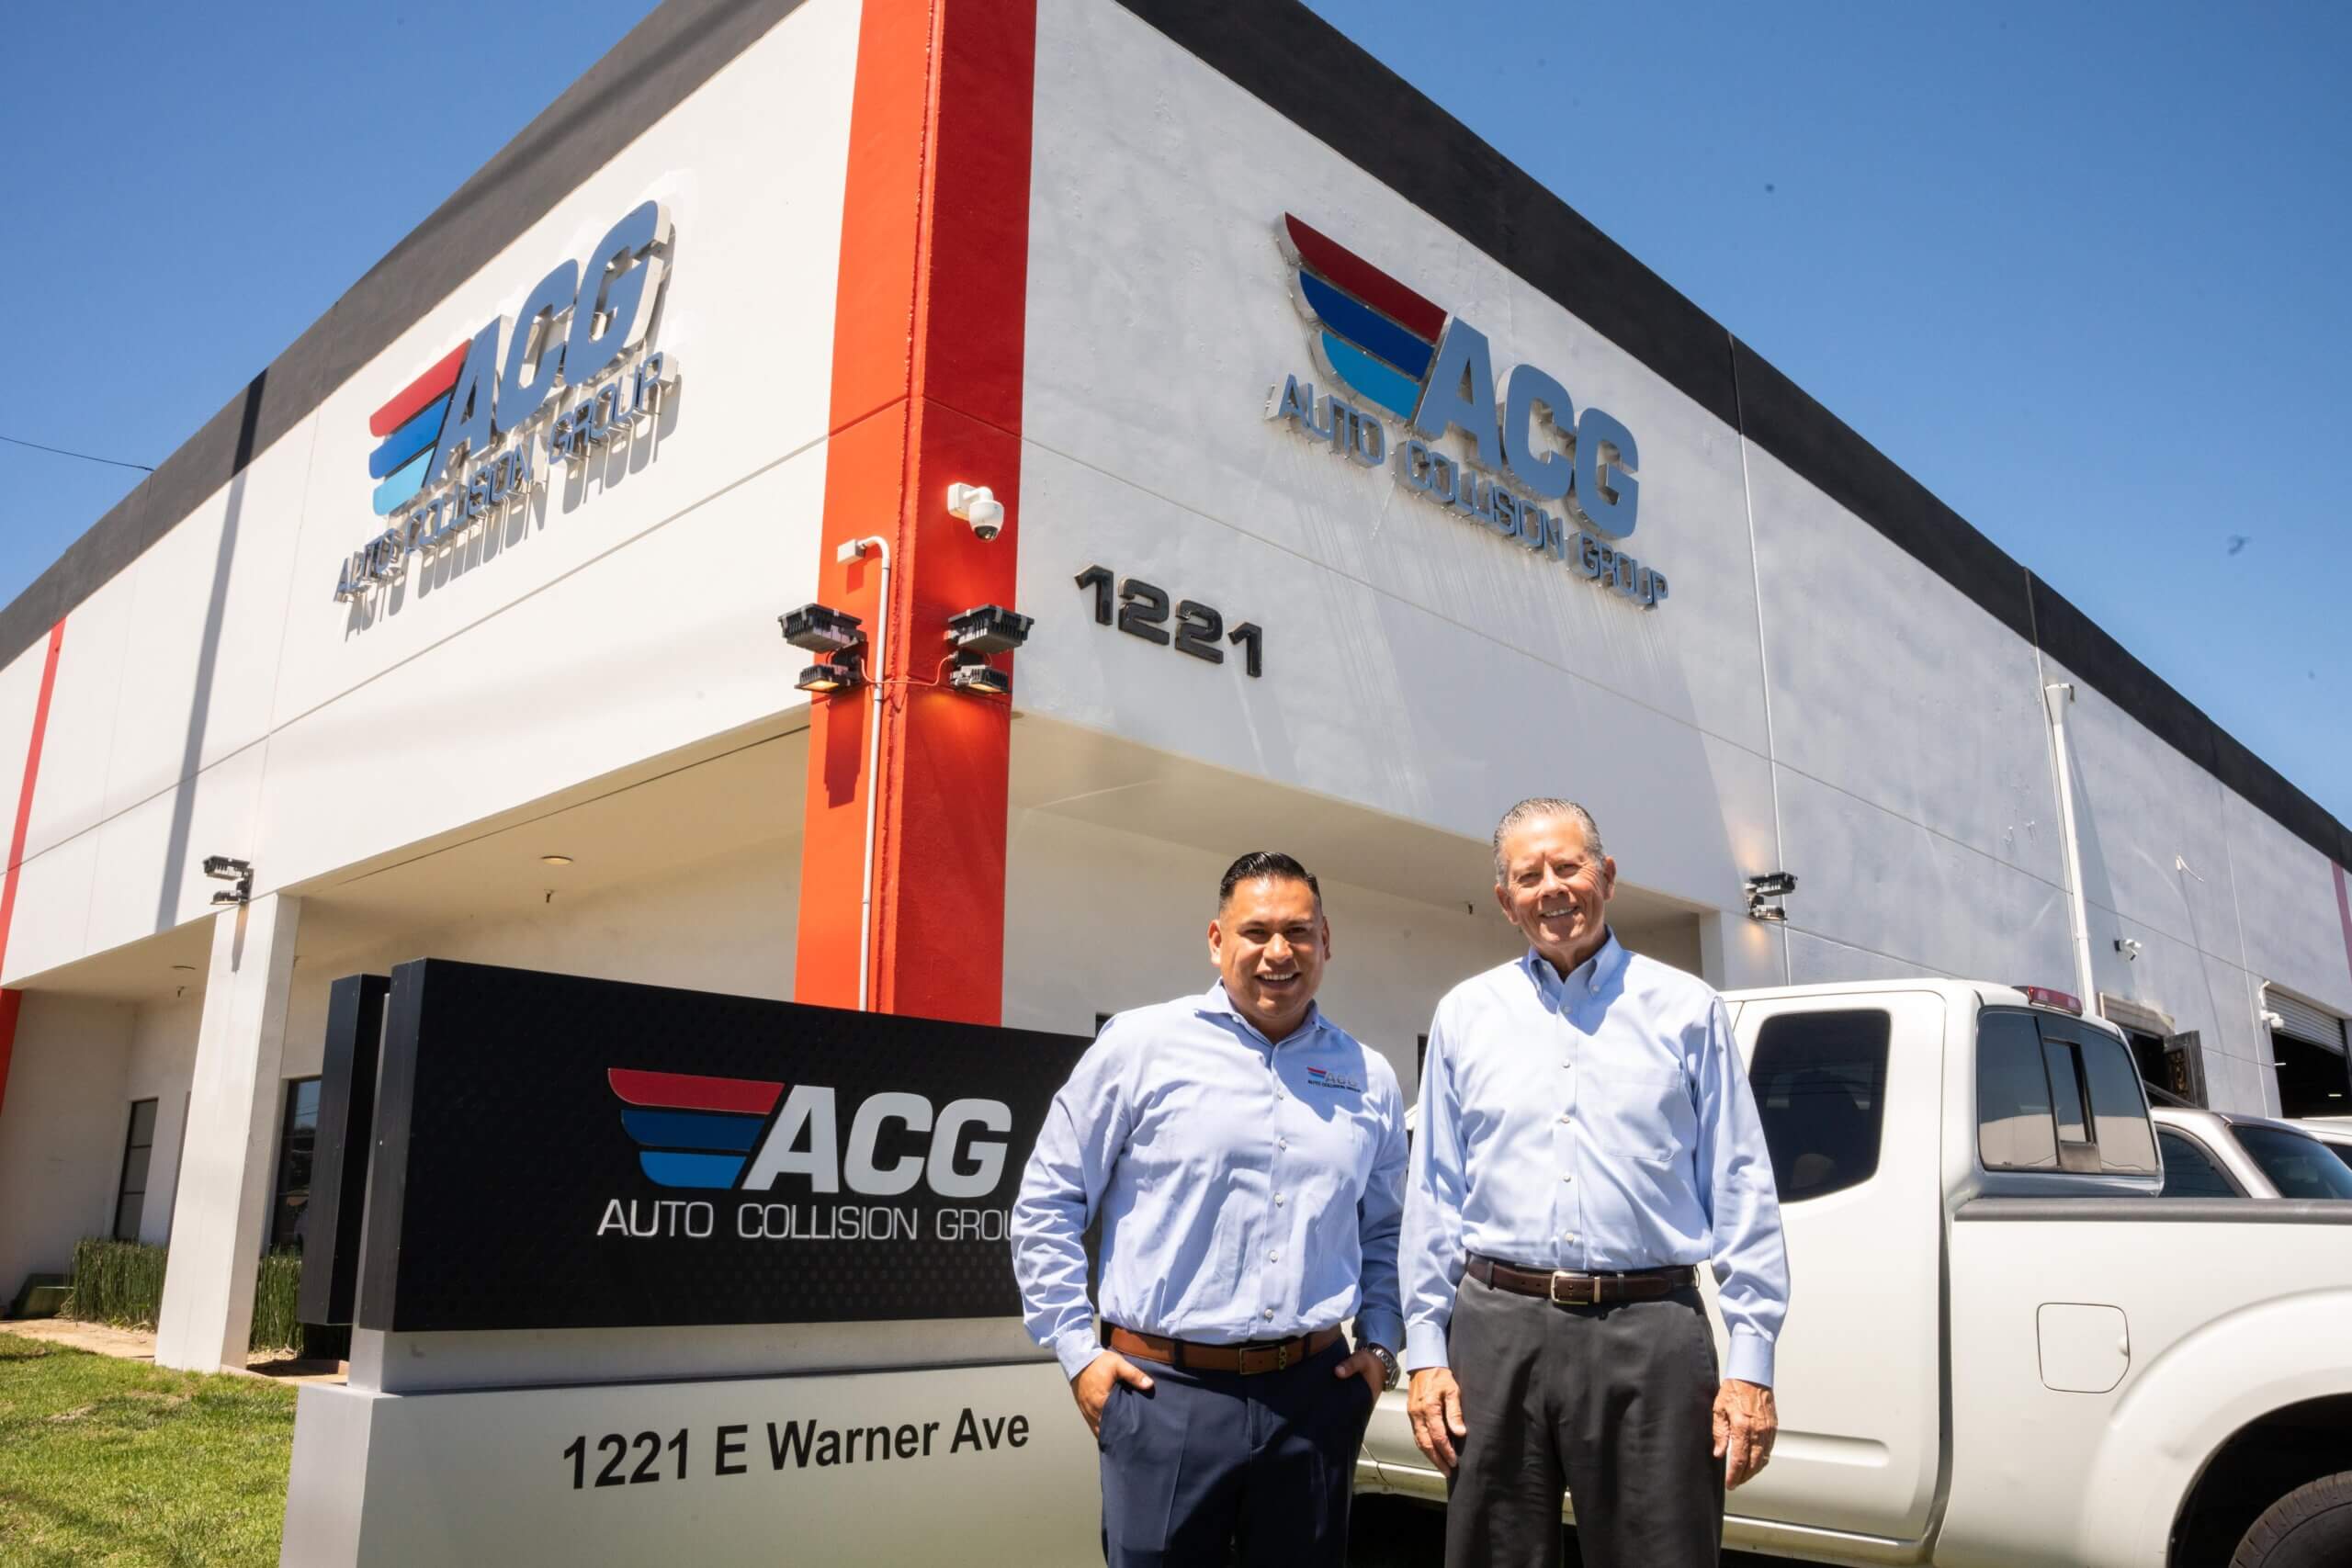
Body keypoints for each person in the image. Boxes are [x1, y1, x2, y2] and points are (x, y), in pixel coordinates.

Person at [1401, 798, 1789, 1568]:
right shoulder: (1466, 1015)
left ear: (1607, 877)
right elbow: (1435, 1193)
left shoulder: (1686, 1010)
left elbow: (1741, 1180)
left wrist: (1751, 1362)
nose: (1552, 887)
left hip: (1652, 1334)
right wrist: (1424, 1351)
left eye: (1568, 865)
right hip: (1495, 1329)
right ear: (1507, 900)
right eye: (1528, 875)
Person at [1012, 851, 1408, 1567]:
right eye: (1256, 931)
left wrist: (1381, 1346)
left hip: (1315, 1398)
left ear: (1327, 942)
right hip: (1166, 1395)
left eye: (1299, 931)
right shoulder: (1140, 1046)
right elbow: (1048, 1199)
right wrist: (1078, 1354)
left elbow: (1388, 1229)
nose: (1279, 952)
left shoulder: (1367, 1075)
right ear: (1217, 940)